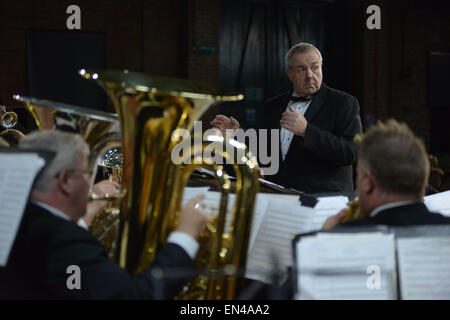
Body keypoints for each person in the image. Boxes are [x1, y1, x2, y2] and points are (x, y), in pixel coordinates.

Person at [0, 130, 212, 299]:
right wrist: (185, 235)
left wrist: (87, 214)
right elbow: (136, 296)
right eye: (86, 173)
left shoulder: (13, 219)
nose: (90, 182)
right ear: (65, 181)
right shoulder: (63, 242)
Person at [211, 42, 362, 193]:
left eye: (315, 67)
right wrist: (237, 134)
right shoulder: (272, 105)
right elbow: (264, 152)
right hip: (278, 194)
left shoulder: (344, 103)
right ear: (290, 73)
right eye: (302, 69)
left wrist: (306, 130)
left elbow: (350, 152)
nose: (310, 75)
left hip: (323, 199)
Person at [322, 119, 450, 229]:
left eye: (359, 175)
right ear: (424, 182)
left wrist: (326, 235)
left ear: (368, 183)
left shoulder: (343, 233)